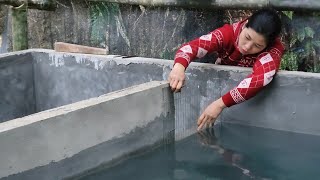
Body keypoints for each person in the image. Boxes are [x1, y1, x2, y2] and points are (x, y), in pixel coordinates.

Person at [168, 8, 285, 131]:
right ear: (245, 25)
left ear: (267, 45)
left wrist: (219, 105)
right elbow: (193, 47)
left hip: (251, 109)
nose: (247, 46)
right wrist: (179, 68)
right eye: (247, 37)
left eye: (257, 46)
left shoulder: (273, 51)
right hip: (219, 87)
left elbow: (260, 79)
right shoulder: (228, 33)